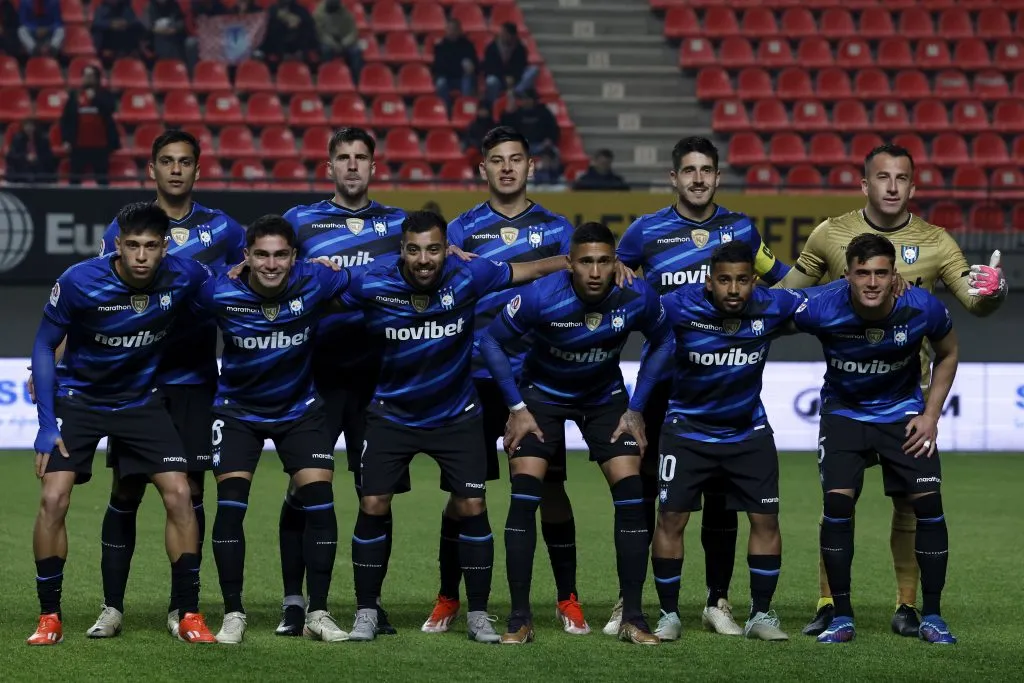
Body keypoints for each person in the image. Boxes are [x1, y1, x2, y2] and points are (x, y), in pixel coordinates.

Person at [777, 143, 1008, 638]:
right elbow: (787, 296)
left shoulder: (936, 240)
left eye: (901, 178)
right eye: (881, 177)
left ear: (912, 186)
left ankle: (908, 606)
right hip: (848, 394)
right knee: (837, 502)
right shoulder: (830, 233)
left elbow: (973, 302)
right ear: (865, 184)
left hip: (909, 394)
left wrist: (994, 293)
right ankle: (829, 603)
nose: (891, 186)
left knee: (911, 505)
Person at [341, 210, 571, 642]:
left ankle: (478, 614)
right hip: (392, 415)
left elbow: (529, 268)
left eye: (433, 249)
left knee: (472, 507)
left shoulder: (470, 273)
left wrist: (575, 262)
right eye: (414, 249)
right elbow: (317, 288)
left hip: (456, 415)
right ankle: (366, 611)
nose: (424, 259)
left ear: (447, 249)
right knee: (372, 504)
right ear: (401, 250)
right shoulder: (370, 281)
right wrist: (311, 268)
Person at [610, 136, 791, 637]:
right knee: (654, 496)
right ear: (674, 177)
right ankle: (636, 602)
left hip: (722, 376)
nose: (697, 178)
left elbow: (781, 279)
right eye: (688, 170)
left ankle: (718, 600)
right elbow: (616, 280)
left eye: (706, 169)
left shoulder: (741, 230)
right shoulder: (644, 232)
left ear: (717, 176)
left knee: (722, 500)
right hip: (663, 381)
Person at [28, 202, 216, 646]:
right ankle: (49, 615)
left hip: (141, 402)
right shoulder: (78, 281)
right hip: (79, 399)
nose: (141, 256)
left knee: (181, 493)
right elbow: (42, 345)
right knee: (54, 498)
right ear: (117, 245)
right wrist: (46, 423)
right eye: (132, 245)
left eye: (151, 246)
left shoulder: (186, 275)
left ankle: (189, 612)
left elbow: (232, 290)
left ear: (164, 248)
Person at [424, 126, 584, 636]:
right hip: (470, 378)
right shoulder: (459, 229)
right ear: (483, 169)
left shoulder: (559, 228)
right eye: (497, 160)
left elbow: (577, 293)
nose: (508, 167)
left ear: (531, 166)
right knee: (464, 494)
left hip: (536, 381)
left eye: (517, 158)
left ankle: (568, 598)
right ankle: (449, 597)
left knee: (549, 489)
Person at [87, 130, 245, 640]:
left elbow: (253, 279)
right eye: (166, 161)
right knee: (127, 489)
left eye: (185, 162)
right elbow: (98, 297)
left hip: (198, 381)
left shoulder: (223, 229)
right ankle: (113, 606)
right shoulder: (126, 226)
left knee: (191, 493)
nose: (175, 170)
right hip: (138, 381)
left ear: (198, 170)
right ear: (151, 169)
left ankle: (183, 607)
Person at [480, 222, 668, 646]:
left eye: (604, 261)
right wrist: (517, 409)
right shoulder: (540, 296)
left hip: (604, 398)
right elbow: (490, 342)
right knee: (525, 494)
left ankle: (634, 618)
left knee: (632, 495)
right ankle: (519, 619)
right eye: (586, 261)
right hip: (542, 397)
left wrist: (637, 409)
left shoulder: (636, 295)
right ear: (570, 264)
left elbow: (664, 338)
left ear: (616, 262)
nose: (596, 271)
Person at [197, 215, 356, 645]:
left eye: (280, 255)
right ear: (245, 257)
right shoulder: (216, 288)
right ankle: (233, 613)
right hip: (237, 413)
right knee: (231, 508)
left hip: (299, 410)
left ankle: (318, 612)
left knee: (320, 504)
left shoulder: (317, 279)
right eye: (261, 255)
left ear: (294, 257)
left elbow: (383, 276)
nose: (271, 264)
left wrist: (449, 257)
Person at [793, 233, 959, 645]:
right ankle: (841, 616)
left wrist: (930, 416)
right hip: (844, 417)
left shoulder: (922, 307)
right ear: (846, 275)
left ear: (894, 276)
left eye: (881, 273)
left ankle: (932, 616)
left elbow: (948, 352)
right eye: (862, 273)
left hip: (902, 417)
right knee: (837, 506)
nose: (871, 282)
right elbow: (764, 311)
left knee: (929, 506)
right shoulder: (821, 306)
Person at [277, 126, 405, 638]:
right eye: (343, 158)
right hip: (314, 376)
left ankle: (369, 605)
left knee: (376, 494)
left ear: (375, 166)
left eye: (361, 158)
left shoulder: (398, 225)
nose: (352, 166)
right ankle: (294, 603)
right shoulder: (299, 223)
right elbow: (266, 276)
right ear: (328, 166)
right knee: (302, 489)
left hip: (380, 378)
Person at [651, 241, 806, 643]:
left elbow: (824, 297)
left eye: (741, 280)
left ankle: (760, 615)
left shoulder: (772, 305)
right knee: (671, 519)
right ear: (709, 281)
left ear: (754, 281)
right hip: (686, 433)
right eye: (724, 281)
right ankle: (668, 613)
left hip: (747, 434)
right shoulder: (675, 305)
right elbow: (630, 306)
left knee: (765, 519)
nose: (733, 289)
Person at [59, 65, 120, 186]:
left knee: (102, 180)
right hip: (78, 146)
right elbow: (66, 119)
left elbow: (110, 110)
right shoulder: (74, 95)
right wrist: (66, 140)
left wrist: (96, 98)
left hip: (101, 146)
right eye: (85, 75)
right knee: (74, 180)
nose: (87, 78)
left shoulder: (105, 94)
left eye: (90, 75)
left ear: (97, 78)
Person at [482, 22, 537, 103]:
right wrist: (504, 78)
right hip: (498, 78)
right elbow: (490, 67)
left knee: (533, 70)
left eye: (506, 33)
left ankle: (517, 92)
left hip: (515, 79)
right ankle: (491, 103)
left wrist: (513, 77)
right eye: (502, 33)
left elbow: (521, 66)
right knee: (491, 81)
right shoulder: (492, 47)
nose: (502, 35)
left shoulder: (520, 48)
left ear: (512, 35)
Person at [254, 0, 319, 66]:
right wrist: (285, 18)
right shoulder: (272, 10)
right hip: (277, 47)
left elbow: (308, 28)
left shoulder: (301, 10)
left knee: (306, 27)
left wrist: (297, 22)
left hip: (298, 46)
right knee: (275, 25)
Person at [499, 89, 559, 157]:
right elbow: (504, 129)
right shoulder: (516, 113)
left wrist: (549, 140)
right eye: (523, 99)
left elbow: (553, 128)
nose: (525, 101)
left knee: (554, 152)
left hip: (541, 145)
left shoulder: (543, 112)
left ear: (533, 100)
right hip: (520, 146)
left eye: (527, 99)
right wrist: (508, 113)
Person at [313, 0, 362, 82]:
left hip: (344, 42)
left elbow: (353, 31)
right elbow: (320, 33)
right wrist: (333, 43)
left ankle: (356, 81)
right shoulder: (318, 14)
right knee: (326, 50)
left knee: (356, 51)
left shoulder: (345, 12)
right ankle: (325, 79)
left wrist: (345, 41)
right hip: (327, 42)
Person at [432, 19, 478, 108]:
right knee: (440, 83)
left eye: (454, 29)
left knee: (468, 81)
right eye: (449, 29)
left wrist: (471, 67)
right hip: (447, 77)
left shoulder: (468, 45)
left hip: (463, 77)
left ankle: (465, 110)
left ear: (459, 30)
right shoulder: (440, 46)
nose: (452, 31)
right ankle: (446, 110)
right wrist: (458, 67)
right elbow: (439, 67)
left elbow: (475, 64)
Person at [91, 0, 145, 64]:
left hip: (123, 39)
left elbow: (136, 22)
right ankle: (106, 53)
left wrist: (126, 23)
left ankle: (131, 53)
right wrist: (111, 24)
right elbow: (96, 24)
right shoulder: (102, 9)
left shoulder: (126, 8)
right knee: (99, 30)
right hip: (108, 40)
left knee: (136, 29)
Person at [5, 117, 56, 183]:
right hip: (22, 167)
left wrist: (37, 157)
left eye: (31, 126)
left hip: (39, 167)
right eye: (26, 126)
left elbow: (49, 156)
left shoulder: (43, 140)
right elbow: (11, 156)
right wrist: (25, 157)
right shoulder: (17, 139)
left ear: (35, 127)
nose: (29, 128)